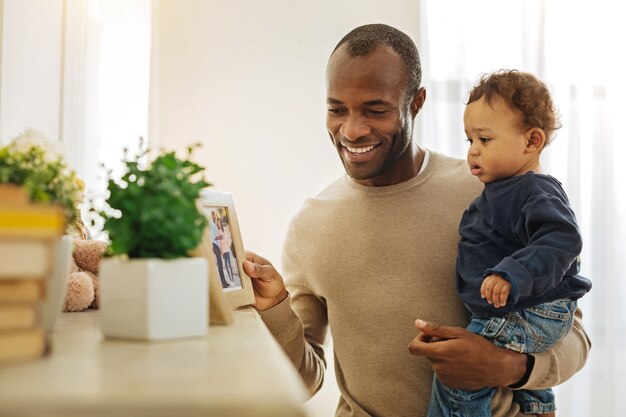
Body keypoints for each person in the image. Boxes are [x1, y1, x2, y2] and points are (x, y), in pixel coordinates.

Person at [242, 24, 591, 417]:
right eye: (337, 109)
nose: (352, 130)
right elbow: (302, 380)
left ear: (416, 102)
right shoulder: (310, 224)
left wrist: (508, 367)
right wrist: (274, 307)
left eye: (376, 110)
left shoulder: (489, 191)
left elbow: (573, 334)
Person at [425, 71, 592, 417]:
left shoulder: (535, 190)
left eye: (484, 140)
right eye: (469, 140)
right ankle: (537, 405)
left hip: (531, 311)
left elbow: (562, 239)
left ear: (532, 142)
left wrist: (511, 274)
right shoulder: (502, 189)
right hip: (525, 309)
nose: (473, 152)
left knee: (459, 374)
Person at [209, 210, 228, 288]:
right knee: (219, 264)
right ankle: (223, 283)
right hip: (215, 245)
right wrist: (219, 237)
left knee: (220, 264)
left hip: (216, 246)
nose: (214, 216)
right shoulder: (211, 224)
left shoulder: (214, 224)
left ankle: (224, 282)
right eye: (213, 214)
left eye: (214, 214)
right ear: (211, 215)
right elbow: (212, 237)